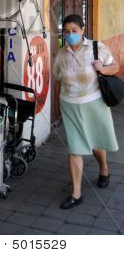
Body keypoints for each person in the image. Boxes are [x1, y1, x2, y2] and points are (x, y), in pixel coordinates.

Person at [53, 14, 119, 210]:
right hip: (69, 105)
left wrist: (103, 69)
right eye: (66, 32)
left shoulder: (96, 48)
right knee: (75, 148)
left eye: (74, 31)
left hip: (94, 103)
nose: (70, 35)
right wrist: (56, 107)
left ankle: (104, 168)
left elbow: (115, 67)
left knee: (96, 144)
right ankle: (76, 193)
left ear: (82, 30)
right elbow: (57, 81)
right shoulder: (61, 54)